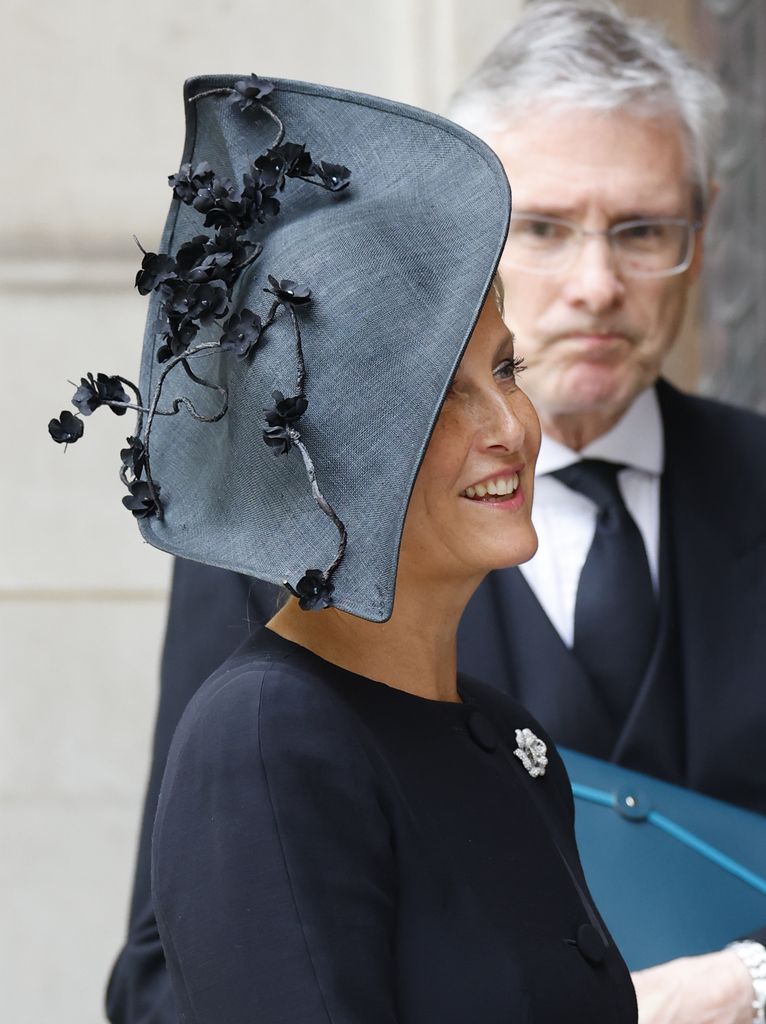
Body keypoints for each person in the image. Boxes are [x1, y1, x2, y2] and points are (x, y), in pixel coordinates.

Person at [106, 5, 766, 1024]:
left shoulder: (502, 735)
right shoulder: (263, 696)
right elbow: (180, 960)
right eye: (542, 227)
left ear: (703, 223)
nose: (595, 286)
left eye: (641, 230)